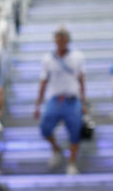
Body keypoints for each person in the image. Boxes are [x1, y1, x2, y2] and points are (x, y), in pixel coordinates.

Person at [34, 27, 86, 175]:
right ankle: (56, 150)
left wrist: (83, 101)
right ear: (55, 41)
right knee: (45, 128)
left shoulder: (77, 57)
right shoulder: (48, 59)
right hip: (55, 99)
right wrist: (38, 103)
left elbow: (81, 78)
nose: (61, 42)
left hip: (72, 99)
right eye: (59, 39)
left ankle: (72, 162)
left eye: (64, 39)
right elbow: (43, 81)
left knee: (75, 132)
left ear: (68, 41)